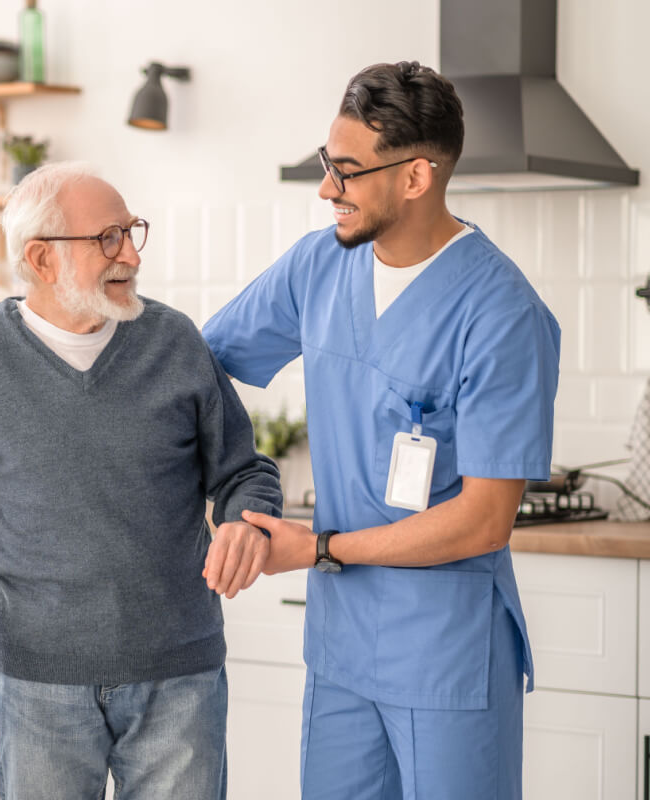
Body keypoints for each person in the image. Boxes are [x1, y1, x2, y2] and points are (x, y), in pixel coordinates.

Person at [203, 61, 560, 799]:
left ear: (416, 177)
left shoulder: (501, 314)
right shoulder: (317, 268)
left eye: (348, 171)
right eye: (327, 165)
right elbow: (197, 366)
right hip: (342, 653)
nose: (328, 188)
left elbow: (485, 520)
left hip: (446, 657)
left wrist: (321, 547)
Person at [0, 161, 282, 800]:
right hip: (39, 682)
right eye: (107, 238)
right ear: (41, 259)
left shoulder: (174, 341)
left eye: (131, 232)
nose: (130, 254)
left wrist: (244, 517)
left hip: (180, 674)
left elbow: (244, 471)